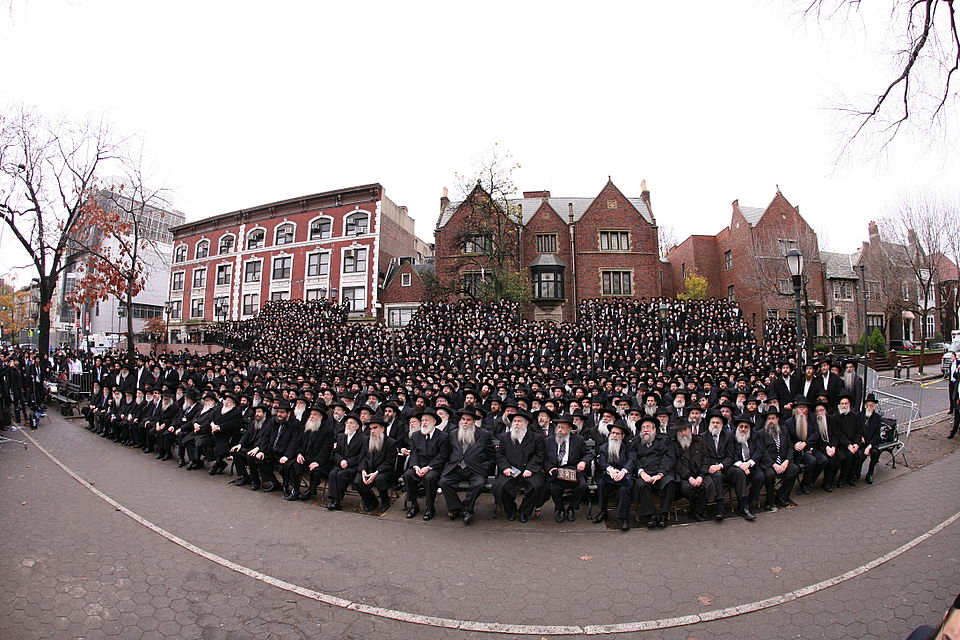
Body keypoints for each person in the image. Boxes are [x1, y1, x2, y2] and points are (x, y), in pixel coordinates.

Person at [439, 407, 495, 525]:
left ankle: (464, 508)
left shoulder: (484, 434)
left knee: (478, 484)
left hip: (476, 470)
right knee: (443, 482)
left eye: (468, 420)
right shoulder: (453, 433)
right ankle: (461, 509)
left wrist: (485, 467)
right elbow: (447, 452)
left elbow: (492, 456)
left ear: (474, 421)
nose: (465, 422)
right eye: (463, 419)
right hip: (456, 468)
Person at [492, 409, 545, 523]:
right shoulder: (504, 437)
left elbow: (539, 455)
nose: (516, 423)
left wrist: (530, 469)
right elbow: (499, 455)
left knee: (537, 486)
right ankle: (510, 510)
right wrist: (505, 467)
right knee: (501, 486)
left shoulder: (536, 438)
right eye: (514, 421)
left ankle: (524, 511)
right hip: (510, 469)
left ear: (526, 423)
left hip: (529, 470)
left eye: (519, 421)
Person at [403, 408, 450, 520]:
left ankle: (430, 507)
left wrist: (428, 468)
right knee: (408, 475)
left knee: (429, 478)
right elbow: (414, 454)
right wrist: (415, 466)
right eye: (422, 420)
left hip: (434, 467)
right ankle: (414, 505)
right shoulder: (416, 435)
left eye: (427, 420)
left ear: (434, 422)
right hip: (418, 466)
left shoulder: (443, 436)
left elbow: (442, 456)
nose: (423, 423)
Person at [543, 416, 592, 522]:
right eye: (558, 427)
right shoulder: (548, 441)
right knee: (553, 487)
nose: (559, 430)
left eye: (563, 428)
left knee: (582, 486)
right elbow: (545, 458)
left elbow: (588, 454)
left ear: (570, 429)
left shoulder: (578, 440)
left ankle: (572, 508)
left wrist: (583, 462)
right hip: (556, 469)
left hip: (573, 469)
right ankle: (560, 509)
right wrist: (550, 468)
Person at [633, 416, 676, 528]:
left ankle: (663, 515)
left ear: (655, 429)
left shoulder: (665, 439)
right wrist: (642, 473)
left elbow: (669, 458)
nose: (645, 430)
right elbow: (634, 460)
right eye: (643, 428)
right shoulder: (635, 442)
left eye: (648, 427)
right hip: (644, 473)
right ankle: (650, 516)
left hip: (661, 472)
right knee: (641, 485)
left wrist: (660, 474)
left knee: (670, 482)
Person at [593, 422, 636, 531]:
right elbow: (602, 461)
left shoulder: (628, 446)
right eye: (612, 433)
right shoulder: (604, 447)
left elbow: (631, 460)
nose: (614, 436)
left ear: (623, 436)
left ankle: (623, 519)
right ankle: (603, 511)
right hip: (610, 477)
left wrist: (623, 471)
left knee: (624, 489)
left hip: (624, 477)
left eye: (617, 434)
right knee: (602, 483)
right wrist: (610, 469)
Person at [758, 406, 799, 510]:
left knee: (794, 469)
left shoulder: (784, 430)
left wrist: (786, 461)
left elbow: (790, 447)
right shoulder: (761, 433)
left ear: (777, 419)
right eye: (769, 419)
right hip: (769, 464)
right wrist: (774, 465)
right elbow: (762, 452)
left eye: (773, 418)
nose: (771, 421)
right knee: (770, 474)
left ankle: (781, 496)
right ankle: (769, 502)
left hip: (783, 461)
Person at [354, 417, 398, 514]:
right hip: (368, 469)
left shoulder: (391, 442)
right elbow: (362, 457)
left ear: (382, 429)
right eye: (370, 428)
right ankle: (371, 502)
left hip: (384, 471)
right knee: (358, 481)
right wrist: (363, 470)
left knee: (380, 479)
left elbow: (389, 462)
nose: (372, 431)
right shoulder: (366, 440)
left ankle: (385, 502)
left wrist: (376, 473)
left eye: (375, 428)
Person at [783, 395, 826, 494]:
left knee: (823, 460)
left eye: (804, 407)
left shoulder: (812, 418)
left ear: (807, 409)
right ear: (796, 409)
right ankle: (805, 484)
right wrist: (795, 445)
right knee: (812, 461)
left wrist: (806, 443)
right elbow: (787, 439)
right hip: (798, 452)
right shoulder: (789, 422)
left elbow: (816, 433)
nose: (801, 410)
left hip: (810, 447)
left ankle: (809, 481)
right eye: (799, 407)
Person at [291, 404, 335, 500]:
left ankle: (311, 490)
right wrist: (299, 453)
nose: (311, 416)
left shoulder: (327, 431)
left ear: (320, 417)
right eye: (311, 414)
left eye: (314, 414)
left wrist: (317, 462)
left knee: (316, 472)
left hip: (321, 461)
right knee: (293, 465)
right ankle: (296, 490)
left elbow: (326, 449)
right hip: (306, 458)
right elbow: (300, 443)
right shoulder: (307, 428)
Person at [325, 414, 366, 510]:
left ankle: (337, 501)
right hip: (341, 463)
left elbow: (361, 455)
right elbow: (336, 452)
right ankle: (334, 499)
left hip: (353, 466)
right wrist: (341, 461)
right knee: (332, 473)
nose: (348, 425)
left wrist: (348, 462)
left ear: (357, 426)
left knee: (341, 474)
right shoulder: (340, 436)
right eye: (347, 423)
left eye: (351, 423)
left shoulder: (362, 438)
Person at [671, 419, 708, 521]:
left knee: (704, 487)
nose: (683, 433)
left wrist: (701, 476)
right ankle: (694, 512)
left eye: (685, 430)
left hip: (699, 474)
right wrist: (689, 477)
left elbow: (705, 459)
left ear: (690, 429)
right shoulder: (674, 444)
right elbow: (676, 465)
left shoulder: (699, 441)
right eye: (680, 431)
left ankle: (699, 512)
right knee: (690, 489)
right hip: (683, 477)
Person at [729, 414, 765, 520]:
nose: (743, 429)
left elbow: (759, 451)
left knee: (760, 476)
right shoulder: (731, 436)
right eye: (741, 426)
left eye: (746, 427)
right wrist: (741, 465)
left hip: (751, 464)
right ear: (737, 427)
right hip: (737, 466)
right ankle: (744, 506)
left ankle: (746, 504)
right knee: (741, 476)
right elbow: (730, 454)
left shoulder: (754, 436)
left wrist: (748, 464)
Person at [701, 410, 733, 521]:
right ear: (709, 424)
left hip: (724, 467)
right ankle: (720, 508)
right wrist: (710, 467)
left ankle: (744, 505)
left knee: (739, 473)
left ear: (722, 425)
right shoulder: (703, 437)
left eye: (718, 423)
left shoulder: (728, 436)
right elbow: (703, 457)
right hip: (709, 469)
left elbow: (730, 456)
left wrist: (720, 466)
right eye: (713, 422)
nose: (715, 425)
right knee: (717, 476)